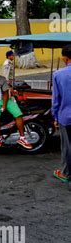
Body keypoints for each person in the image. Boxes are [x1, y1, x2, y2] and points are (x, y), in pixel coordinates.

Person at [51, 44, 71, 186]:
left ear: (65, 57)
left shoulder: (58, 74)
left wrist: (55, 117)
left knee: (67, 147)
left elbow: (56, 100)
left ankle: (66, 173)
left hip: (66, 117)